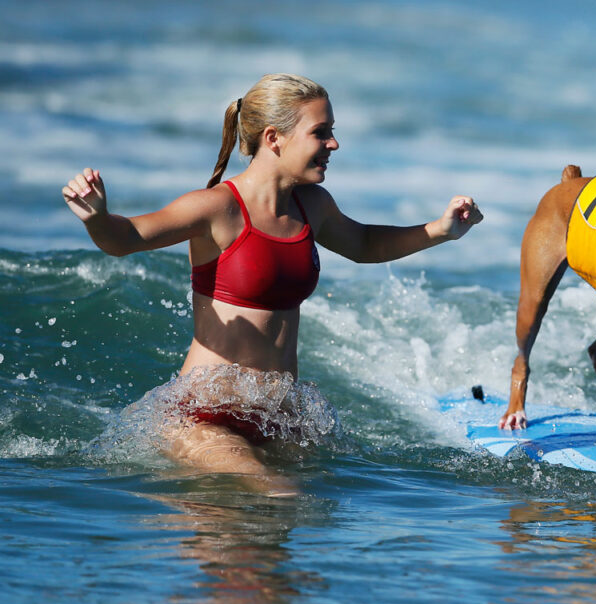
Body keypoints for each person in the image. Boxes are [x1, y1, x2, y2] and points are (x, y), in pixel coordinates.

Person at [62, 73, 483, 492]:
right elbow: (125, 240)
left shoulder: (312, 206)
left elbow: (364, 243)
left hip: (278, 418)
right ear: (274, 138)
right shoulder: (216, 209)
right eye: (321, 133)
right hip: (204, 417)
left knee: (325, 504)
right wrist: (97, 217)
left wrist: (440, 230)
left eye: (332, 132)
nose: (333, 144)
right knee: (282, 495)